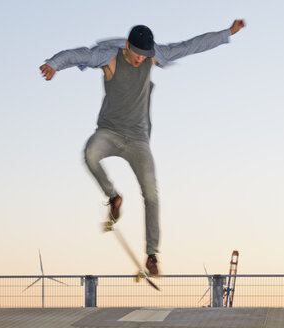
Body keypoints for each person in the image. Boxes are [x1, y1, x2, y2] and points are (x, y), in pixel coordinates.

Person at [40, 19, 245, 275]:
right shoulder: (109, 56)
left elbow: (189, 46)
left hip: (138, 141)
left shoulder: (153, 56)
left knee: (151, 194)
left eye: (145, 55)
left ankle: (152, 255)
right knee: (90, 153)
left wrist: (227, 33)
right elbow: (79, 54)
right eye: (137, 54)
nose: (140, 60)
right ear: (127, 46)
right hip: (109, 133)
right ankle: (113, 196)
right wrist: (53, 64)